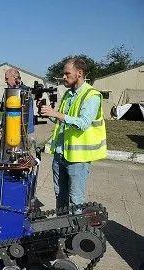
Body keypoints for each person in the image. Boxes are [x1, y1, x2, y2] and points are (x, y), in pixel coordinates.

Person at [40, 58, 107, 212]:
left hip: (78, 159)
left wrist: (56, 114)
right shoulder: (68, 95)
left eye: (67, 73)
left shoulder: (91, 95)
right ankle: (61, 230)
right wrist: (48, 113)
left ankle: (75, 234)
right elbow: (62, 120)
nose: (64, 77)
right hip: (60, 155)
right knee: (60, 195)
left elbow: (83, 122)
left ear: (79, 73)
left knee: (75, 199)